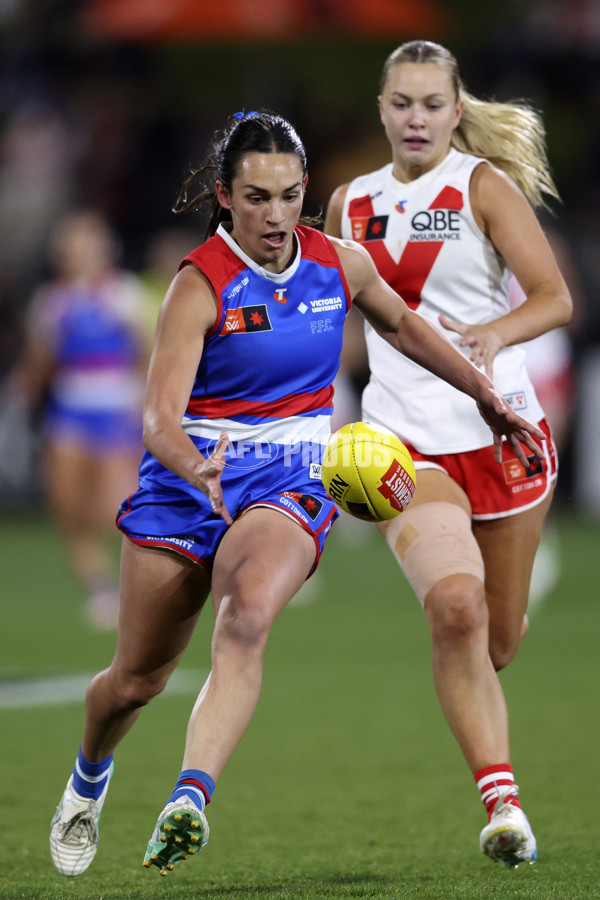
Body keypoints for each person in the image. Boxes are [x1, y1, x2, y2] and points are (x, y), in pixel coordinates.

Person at [49, 110, 547, 880]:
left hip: (289, 483)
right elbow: (155, 419)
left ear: (304, 190)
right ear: (226, 195)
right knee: (134, 680)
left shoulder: (339, 266)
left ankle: (189, 798)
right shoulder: (199, 284)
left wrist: (482, 393)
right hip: (189, 484)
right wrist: (195, 465)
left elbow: (409, 329)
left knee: (245, 617)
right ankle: (87, 780)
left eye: (288, 195)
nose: (275, 215)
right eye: (256, 198)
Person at [324, 40, 572, 868]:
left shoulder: (483, 187)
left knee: (495, 641)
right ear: (383, 108)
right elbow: (338, 328)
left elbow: (554, 297)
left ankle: (495, 640)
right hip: (403, 441)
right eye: (403, 103)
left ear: (456, 110)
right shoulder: (347, 205)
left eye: (433, 103)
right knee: (455, 610)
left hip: (502, 433)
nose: (417, 118)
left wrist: (495, 335)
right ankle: (503, 806)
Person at [6, 209, 152, 628]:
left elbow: (149, 352)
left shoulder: (123, 293)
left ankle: (142, 584)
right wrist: (20, 399)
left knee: (112, 509)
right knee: (67, 507)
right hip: (69, 411)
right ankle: (100, 589)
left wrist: (143, 401)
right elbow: (40, 361)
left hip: (115, 409)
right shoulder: (52, 301)